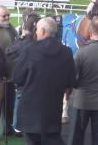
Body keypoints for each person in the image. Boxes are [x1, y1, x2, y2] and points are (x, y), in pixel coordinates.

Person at [13, 17, 76, 145]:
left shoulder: (29, 50)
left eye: (36, 30)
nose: (35, 32)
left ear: (41, 31)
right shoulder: (66, 52)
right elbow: (71, 81)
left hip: (30, 110)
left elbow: (17, 78)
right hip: (53, 109)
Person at [6, 12, 39, 136]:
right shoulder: (32, 43)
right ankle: (18, 126)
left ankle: (17, 125)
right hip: (26, 76)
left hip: (18, 75)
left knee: (19, 100)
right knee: (21, 100)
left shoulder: (20, 41)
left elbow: (9, 52)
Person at [0, 5, 18, 136]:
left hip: (11, 72)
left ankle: (8, 128)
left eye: (8, 15)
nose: (7, 17)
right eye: (4, 16)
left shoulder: (11, 27)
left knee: (10, 102)